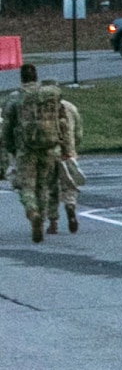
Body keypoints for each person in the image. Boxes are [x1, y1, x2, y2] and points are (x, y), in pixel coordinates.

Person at [1, 63, 63, 243]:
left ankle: (32, 211)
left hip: (26, 149)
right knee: (42, 185)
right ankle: (41, 220)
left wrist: (9, 147)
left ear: (21, 78)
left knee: (25, 186)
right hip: (48, 147)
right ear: (36, 77)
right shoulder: (49, 94)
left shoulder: (16, 97)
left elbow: (7, 126)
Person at [46, 91, 83, 234]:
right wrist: (73, 147)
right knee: (69, 183)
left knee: (51, 187)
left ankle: (53, 221)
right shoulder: (70, 107)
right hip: (68, 153)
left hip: (49, 153)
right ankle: (70, 204)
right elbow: (78, 133)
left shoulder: (41, 109)